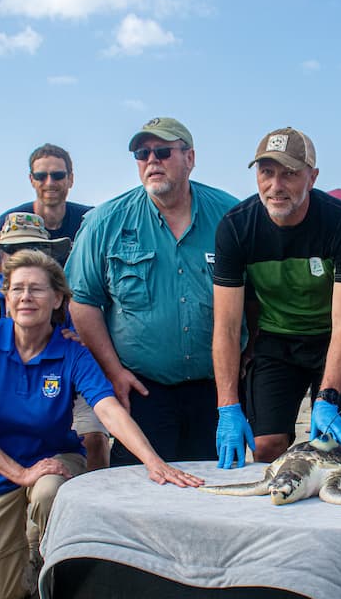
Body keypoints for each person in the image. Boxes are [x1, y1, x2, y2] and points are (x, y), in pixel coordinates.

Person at [0, 250, 203, 599]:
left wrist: (153, 461)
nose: (25, 297)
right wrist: (20, 473)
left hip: (53, 460)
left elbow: (108, 409)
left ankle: (47, 550)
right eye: (16, 288)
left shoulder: (71, 351)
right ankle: (21, 554)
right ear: (5, 295)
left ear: (57, 299)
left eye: (36, 289)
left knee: (50, 489)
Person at [68, 118, 239, 466]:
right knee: (140, 497)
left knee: (211, 492)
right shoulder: (105, 222)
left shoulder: (231, 215)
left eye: (163, 152)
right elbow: (83, 302)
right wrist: (114, 371)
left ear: (190, 158)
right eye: (142, 153)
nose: (151, 161)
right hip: (142, 388)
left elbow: (255, 290)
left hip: (216, 387)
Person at [212, 127, 341, 466]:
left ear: (312, 177)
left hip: (329, 338)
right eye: (266, 173)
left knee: (333, 450)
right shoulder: (236, 227)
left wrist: (327, 398)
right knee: (266, 445)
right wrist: (227, 407)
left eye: (289, 174)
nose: (276, 186)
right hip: (276, 340)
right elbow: (225, 327)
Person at [0, 144, 103, 467]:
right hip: (13, 364)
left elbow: (95, 294)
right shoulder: (7, 224)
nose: (50, 181)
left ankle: (92, 509)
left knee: (93, 436)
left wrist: (85, 339)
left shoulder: (91, 221)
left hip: (71, 355)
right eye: (42, 174)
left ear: (71, 179)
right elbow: (4, 296)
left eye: (58, 174)